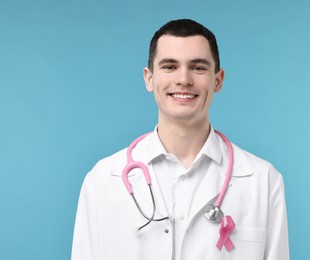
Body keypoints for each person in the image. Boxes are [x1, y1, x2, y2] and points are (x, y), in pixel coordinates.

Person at [71, 19, 289, 260]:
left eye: (198, 67)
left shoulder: (263, 180)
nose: (184, 79)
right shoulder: (102, 180)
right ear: (149, 78)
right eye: (169, 66)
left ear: (218, 80)